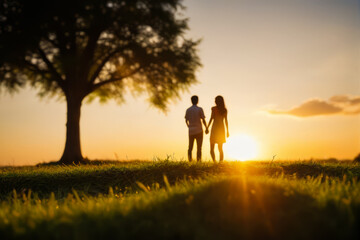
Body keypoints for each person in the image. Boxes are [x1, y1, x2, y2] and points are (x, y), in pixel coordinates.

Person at [185, 95, 208, 162]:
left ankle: (190, 160)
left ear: (191, 101)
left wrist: (189, 126)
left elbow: (186, 120)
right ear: (197, 101)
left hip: (191, 131)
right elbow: (203, 119)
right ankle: (199, 161)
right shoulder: (200, 109)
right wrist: (206, 127)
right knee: (199, 147)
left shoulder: (188, 110)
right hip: (199, 130)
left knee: (190, 147)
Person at [207, 95, 229, 162]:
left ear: (217, 101)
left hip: (215, 128)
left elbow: (211, 118)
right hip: (221, 129)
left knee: (212, 147)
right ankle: (220, 163)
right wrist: (227, 131)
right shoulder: (224, 110)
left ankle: (214, 162)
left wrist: (207, 127)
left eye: (215, 100)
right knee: (220, 148)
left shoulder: (214, 109)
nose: (214, 101)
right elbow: (226, 121)